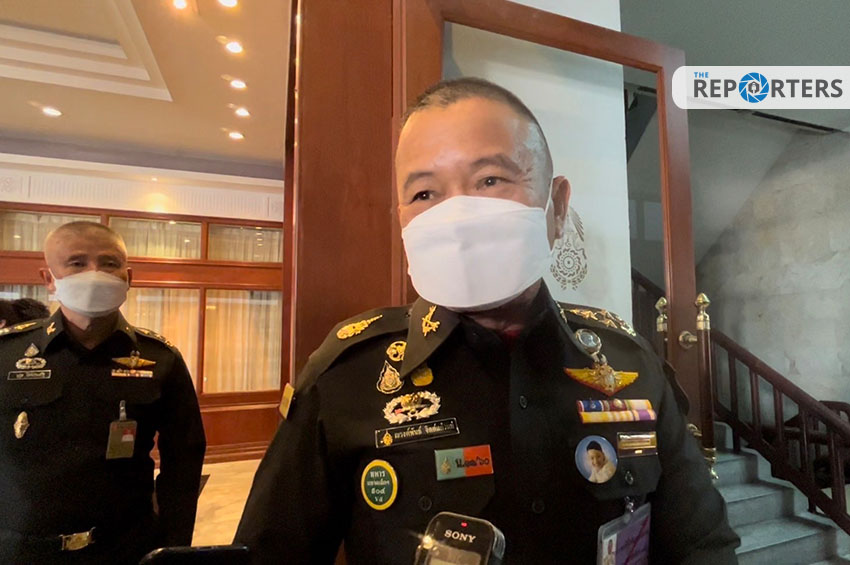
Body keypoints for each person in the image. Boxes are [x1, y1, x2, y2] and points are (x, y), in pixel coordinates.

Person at [234, 78, 739, 563]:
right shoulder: (346, 376)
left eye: (490, 180)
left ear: (557, 207)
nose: (457, 218)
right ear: (402, 218)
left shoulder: (630, 366)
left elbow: (701, 544)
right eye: (425, 194)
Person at [0, 221, 206, 564]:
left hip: (124, 548)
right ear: (49, 278)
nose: (95, 273)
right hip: (22, 550)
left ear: (128, 277)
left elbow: (184, 461)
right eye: (77, 263)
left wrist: (173, 548)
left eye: (109, 263)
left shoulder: (160, 359)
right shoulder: (7, 354)